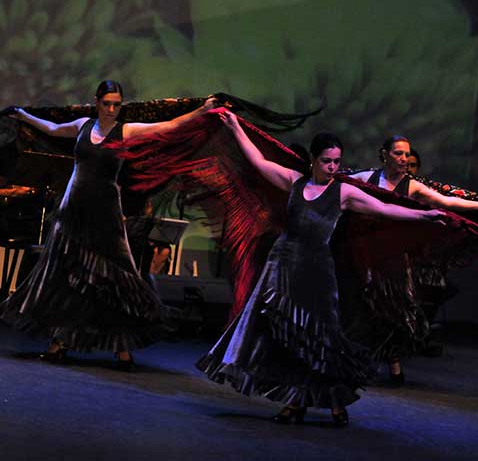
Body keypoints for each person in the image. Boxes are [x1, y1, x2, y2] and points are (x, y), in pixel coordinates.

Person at [196, 113, 445, 426]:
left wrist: (423, 216)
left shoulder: (343, 192)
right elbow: (258, 162)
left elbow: (384, 208)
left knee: (320, 339)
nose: (333, 167)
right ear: (313, 159)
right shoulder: (294, 182)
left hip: (317, 272)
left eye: (337, 162)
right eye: (327, 161)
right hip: (283, 268)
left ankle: (335, 404)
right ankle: (294, 403)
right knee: (286, 338)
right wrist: (234, 127)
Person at [0, 80, 215, 370]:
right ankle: (59, 342)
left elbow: (168, 127)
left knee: (114, 279)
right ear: (97, 102)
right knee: (66, 275)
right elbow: (51, 129)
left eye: (117, 104)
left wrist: (202, 111)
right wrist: (23, 115)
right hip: (73, 212)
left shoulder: (125, 131)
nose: (112, 109)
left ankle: (121, 347)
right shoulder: (83, 126)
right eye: (107, 103)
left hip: (105, 214)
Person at [349, 135, 478, 382]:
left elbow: (445, 200)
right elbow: (335, 184)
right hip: (367, 254)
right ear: (384, 154)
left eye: (406, 154)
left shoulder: (412, 186)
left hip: (395, 256)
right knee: (364, 308)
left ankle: (394, 363)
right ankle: (359, 362)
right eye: (398, 153)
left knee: (397, 310)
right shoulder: (366, 179)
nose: (404, 159)